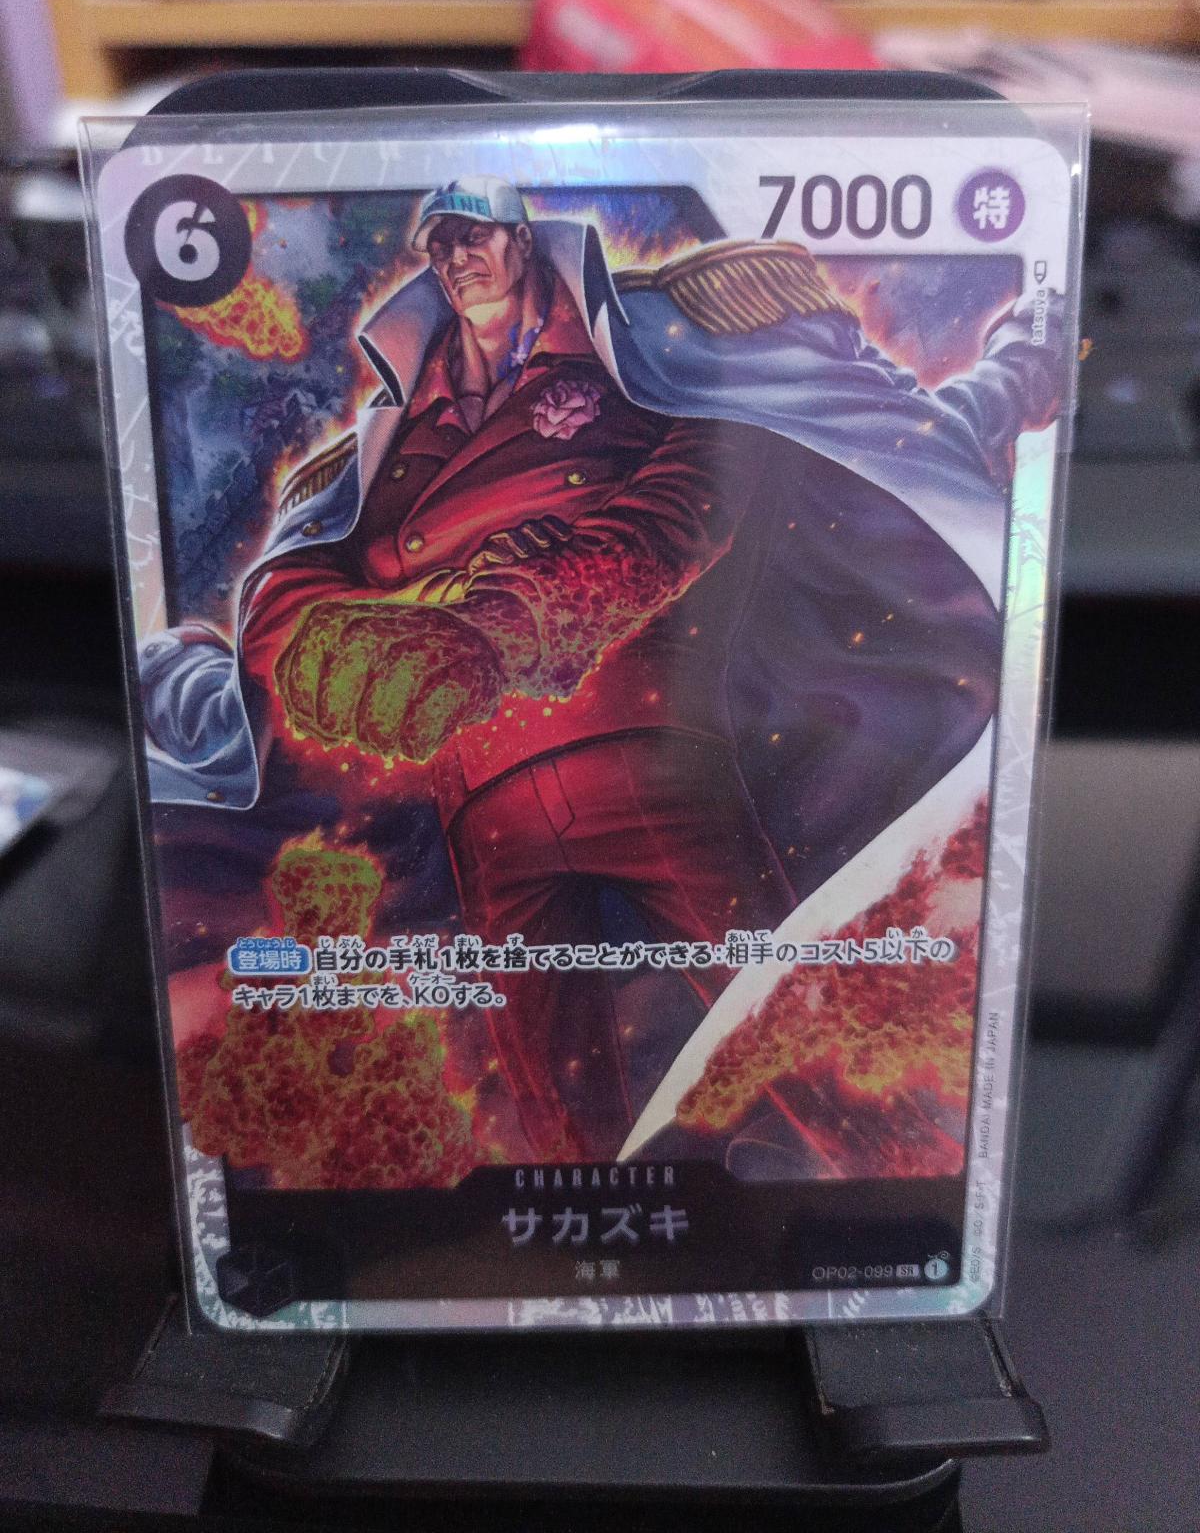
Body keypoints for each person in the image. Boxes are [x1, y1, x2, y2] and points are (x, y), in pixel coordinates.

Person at [141, 175, 1061, 1157]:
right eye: (442, 243)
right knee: (559, 1118)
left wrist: (500, 627)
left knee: (793, 1035)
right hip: (481, 805)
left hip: (636, 754)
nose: (459, 258)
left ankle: (912, 1194)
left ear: (525, 240)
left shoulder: (655, 353)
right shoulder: (386, 442)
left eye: (477, 235)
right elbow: (292, 586)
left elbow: (681, 508)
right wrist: (332, 646)